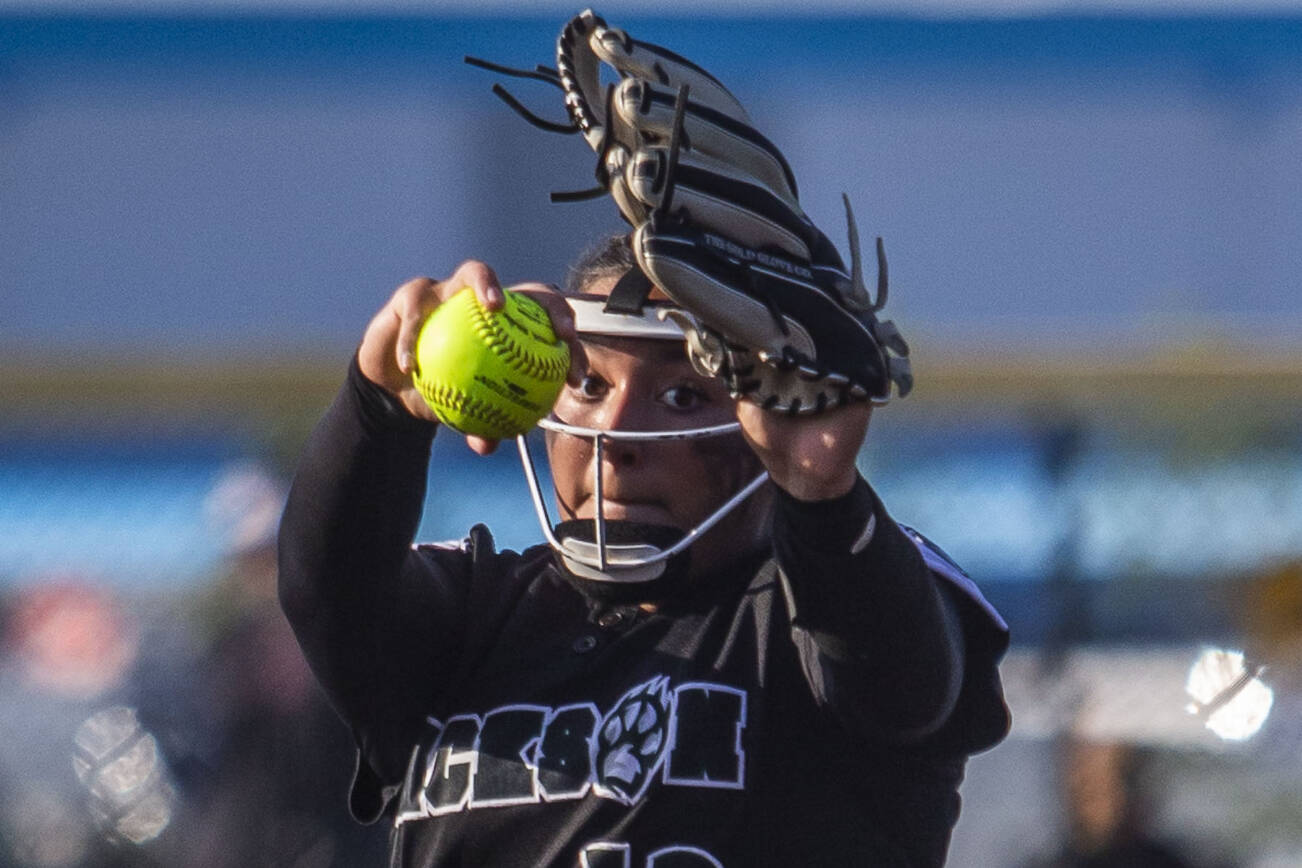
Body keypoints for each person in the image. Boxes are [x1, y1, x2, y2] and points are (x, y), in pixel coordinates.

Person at [278, 235, 1011, 867]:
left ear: (771, 416)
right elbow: (327, 587)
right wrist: (378, 409)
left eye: (684, 394)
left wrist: (827, 498)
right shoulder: (474, 610)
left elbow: (904, 677)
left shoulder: (828, 597)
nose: (618, 432)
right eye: (589, 382)